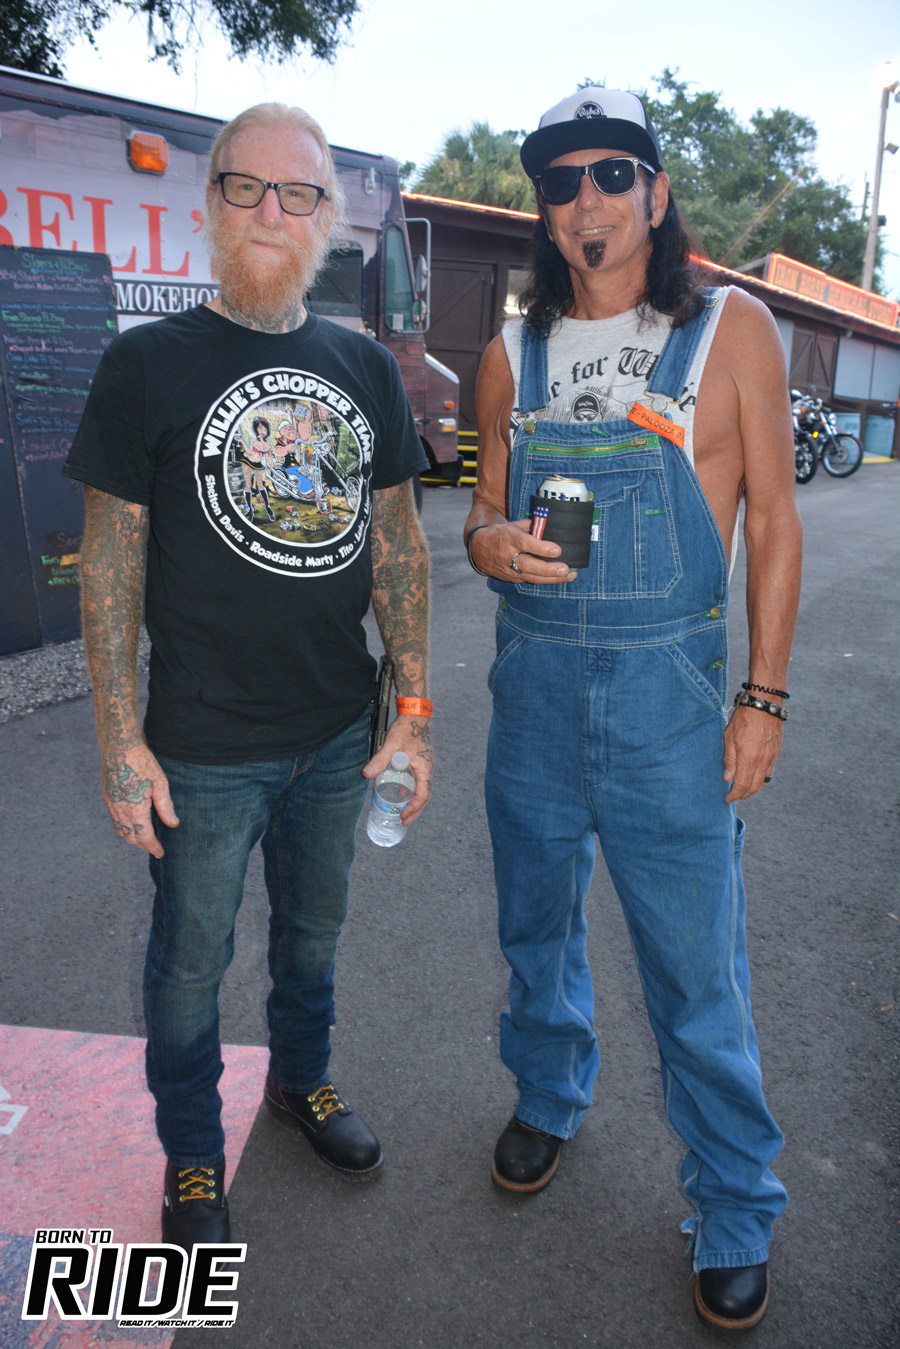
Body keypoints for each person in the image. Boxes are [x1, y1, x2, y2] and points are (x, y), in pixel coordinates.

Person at [64, 102, 433, 1253]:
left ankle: (300, 1080)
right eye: (247, 185)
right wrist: (118, 739)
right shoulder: (145, 364)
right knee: (190, 965)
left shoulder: (363, 367)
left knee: (313, 938)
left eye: (299, 191)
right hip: (202, 749)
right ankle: (190, 1148)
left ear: (330, 218)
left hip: (338, 737)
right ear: (212, 199)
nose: (272, 209)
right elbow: (110, 564)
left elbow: (400, 547)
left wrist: (414, 711)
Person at [464, 86, 801, 1331]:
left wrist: (762, 696)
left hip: (672, 696)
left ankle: (735, 1201)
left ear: (656, 193)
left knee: (696, 969)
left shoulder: (729, 330)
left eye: (613, 172)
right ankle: (549, 1093)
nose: (588, 199)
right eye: (562, 181)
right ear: (544, 212)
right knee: (534, 928)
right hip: (535, 691)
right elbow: (483, 506)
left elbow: (776, 519)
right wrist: (489, 542)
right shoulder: (512, 356)